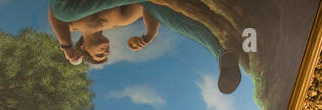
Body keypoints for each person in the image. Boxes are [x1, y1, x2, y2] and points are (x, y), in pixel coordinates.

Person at [46, 2, 241, 94]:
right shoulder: (119, 21)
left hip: (70, 12)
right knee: (169, 17)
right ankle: (222, 54)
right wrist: (149, 36)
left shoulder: (73, 24)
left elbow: (55, 13)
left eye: (99, 55)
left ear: (84, 47)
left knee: (61, 10)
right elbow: (149, 8)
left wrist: (66, 46)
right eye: (106, 54)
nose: (105, 52)